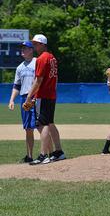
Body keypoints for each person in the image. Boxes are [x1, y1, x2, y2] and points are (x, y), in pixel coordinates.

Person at [26, 34, 66, 165]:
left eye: (37, 44)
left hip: (43, 95)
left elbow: (38, 80)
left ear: (43, 44)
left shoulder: (42, 58)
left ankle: (43, 155)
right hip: (51, 94)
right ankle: (58, 151)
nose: (35, 46)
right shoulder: (52, 58)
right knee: (49, 123)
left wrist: (29, 96)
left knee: (42, 125)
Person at [8, 41, 38, 163]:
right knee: (28, 128)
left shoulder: (37, 62)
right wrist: (11, 100)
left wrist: (36, 96)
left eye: (25, 48)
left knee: (41, 125)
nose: (22, 50)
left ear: (31, 50)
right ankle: (29, 156)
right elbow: (16, 86)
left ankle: (47, 154)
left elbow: (40, 80)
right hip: (24, 99)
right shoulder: (19, 67)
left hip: (35, 97)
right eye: (22, 48)